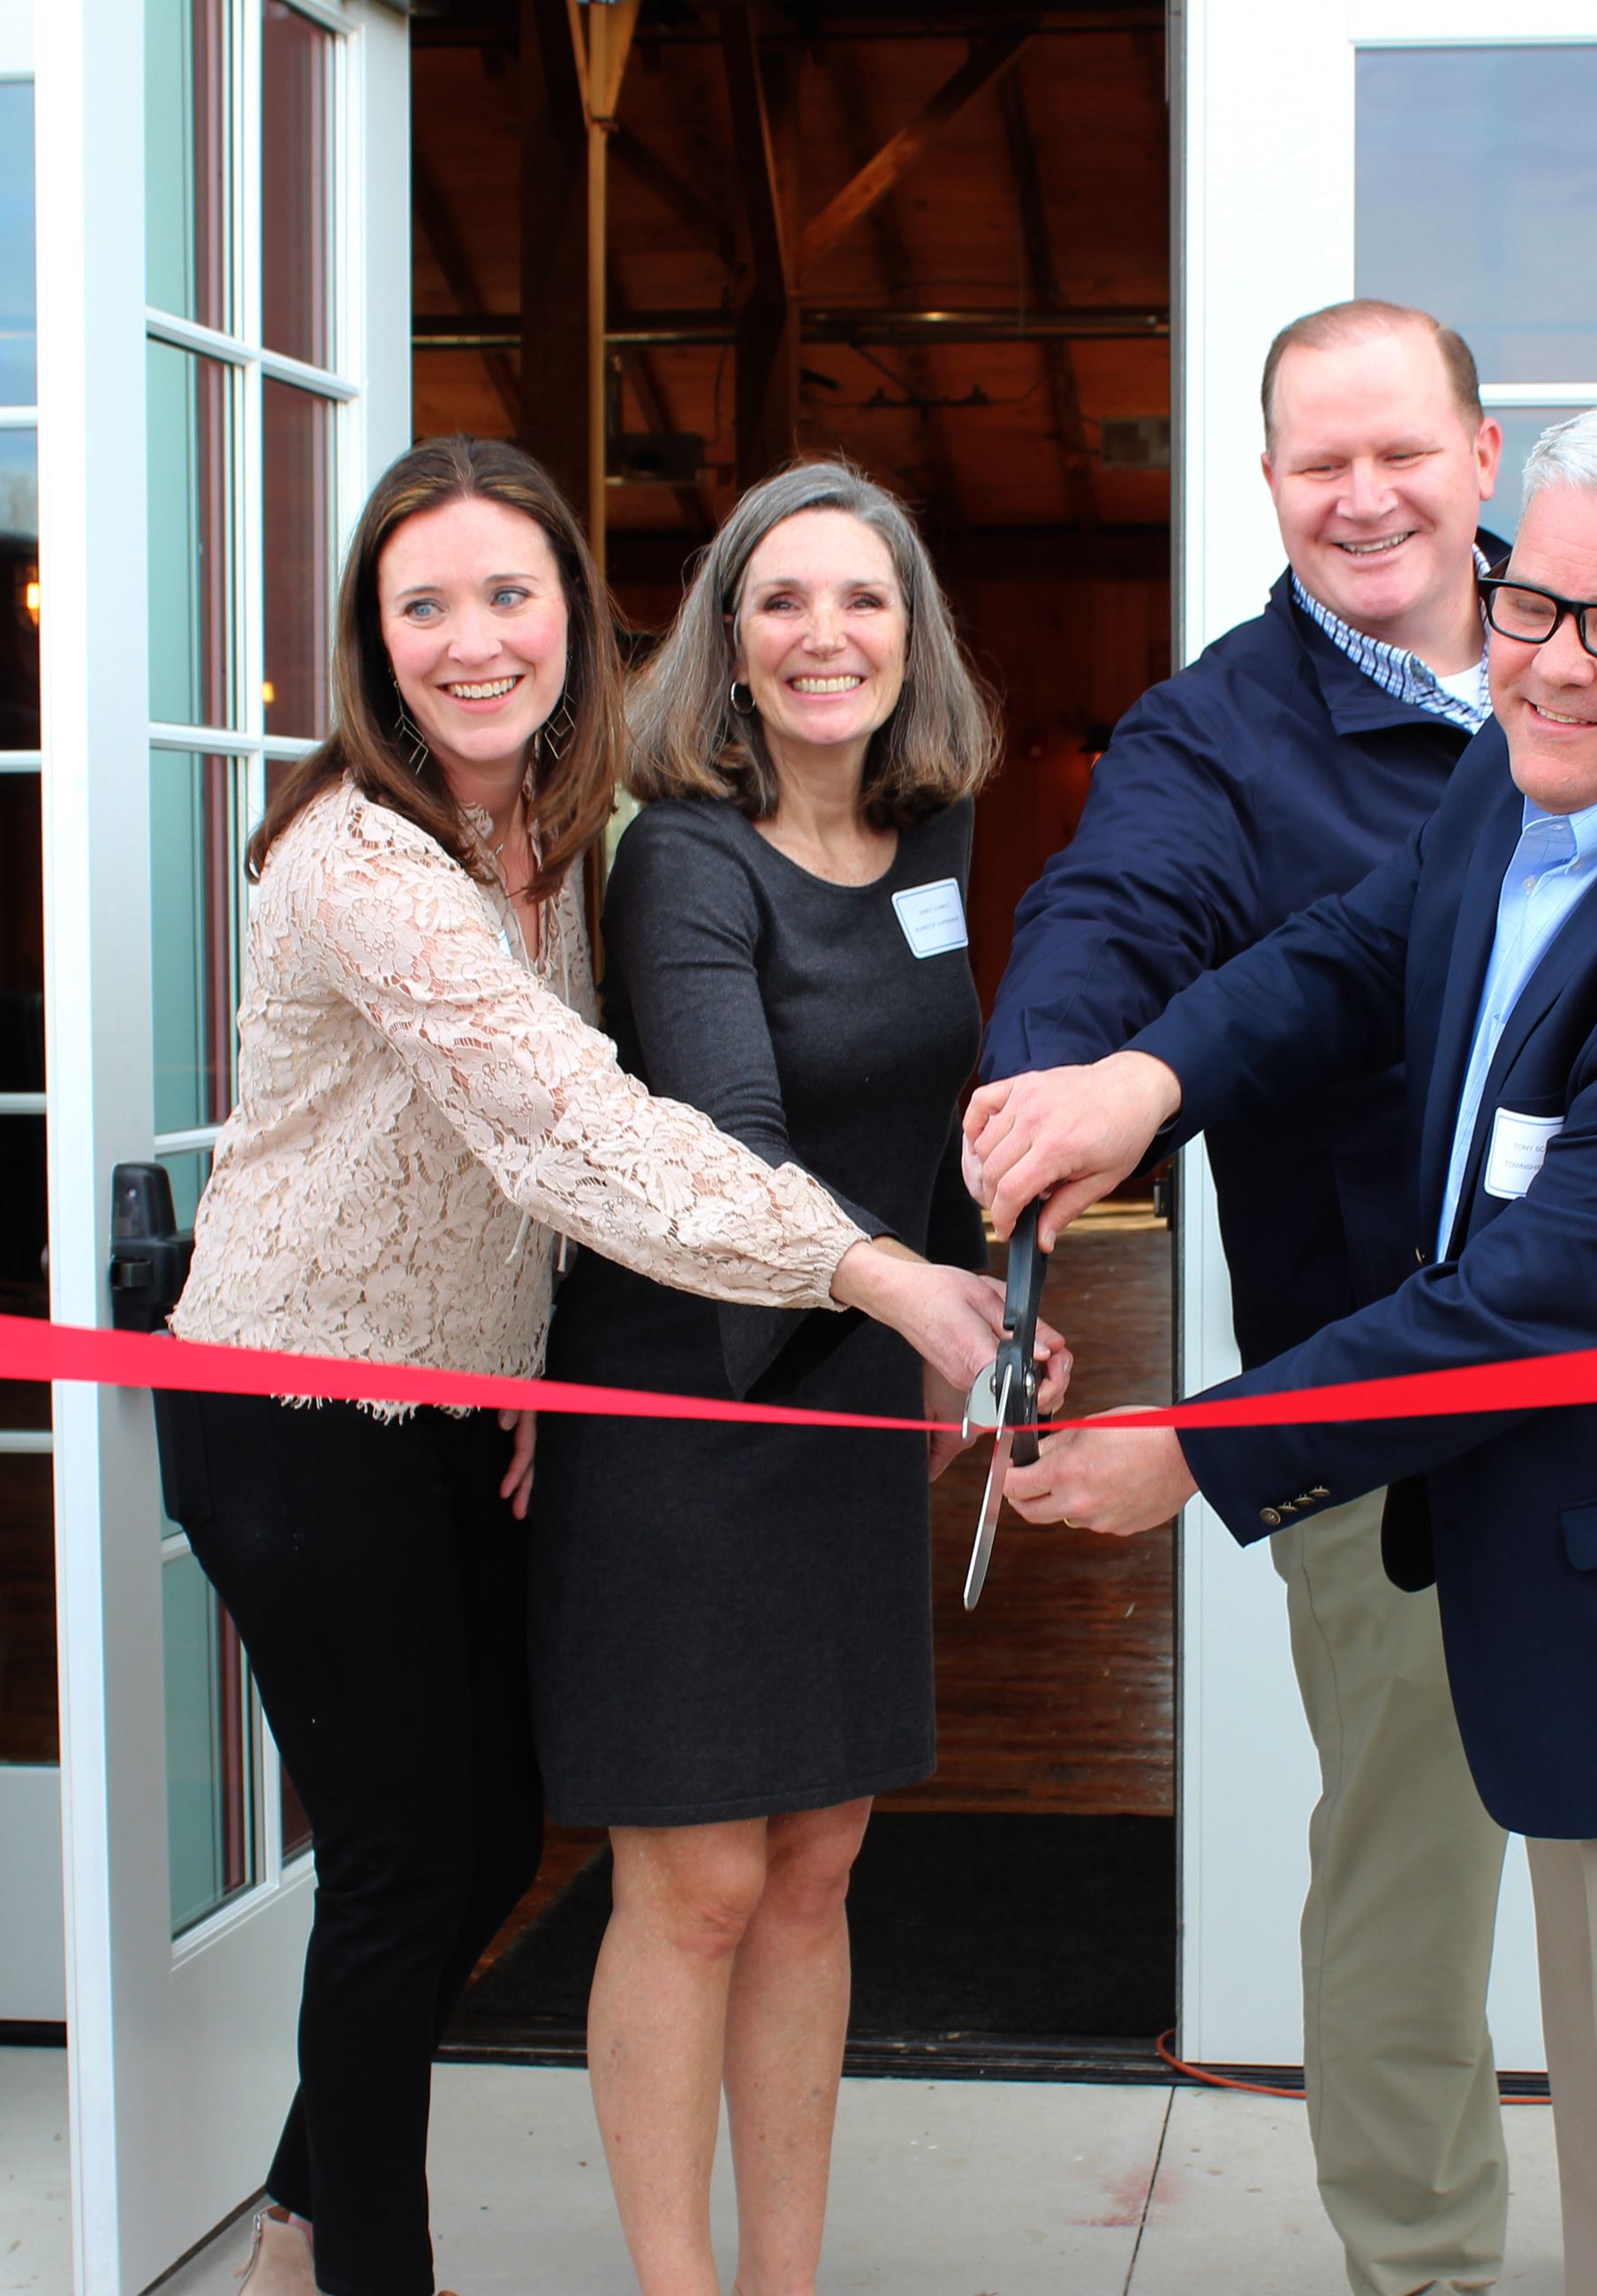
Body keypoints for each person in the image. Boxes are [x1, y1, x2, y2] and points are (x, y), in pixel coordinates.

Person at [966, 401, 1597, 2296]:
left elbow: (1532, 1302)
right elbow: (1361, 947)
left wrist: (1192, 1446)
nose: (1545, 658)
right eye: (1529, 601)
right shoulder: (1540, 760)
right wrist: (1144, 1074)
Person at [158, 437, 1022, 2296]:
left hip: (486, 1407)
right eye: (425, 608)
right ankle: (351, 2265)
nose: (474, 640)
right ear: (371, 647)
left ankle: (308, 2216)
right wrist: (885, 1276)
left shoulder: (546, 834)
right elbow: (576, 1134)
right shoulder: (369, 858)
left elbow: (553, 1174)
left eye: (508, 595)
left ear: (577, 615)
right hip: (300, 1409)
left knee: (477, 1855)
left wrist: (550, 1366)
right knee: (412, 1865)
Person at [978, 298, 1509, 2296]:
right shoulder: (1218, 727)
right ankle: (1425, 2266)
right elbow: (1109, 917)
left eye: (1399, 451)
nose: (1361, 496)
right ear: (1267, 480)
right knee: (1402, 1884)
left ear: (1480, 452)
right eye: (1315, 462)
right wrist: (1046, 1100)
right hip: (1367, 1400)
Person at [526, 460, 1063, 2296]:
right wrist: (921, 1299)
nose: (824, 634)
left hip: (850, 1410)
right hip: (685, 1411)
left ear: (911, 640)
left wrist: (990, 1300)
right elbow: (736, 1149)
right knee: (697, 1884)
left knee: (819, 1868)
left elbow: (920, 1129)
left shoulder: (929, 847)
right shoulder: (679, 849)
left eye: (864, 599)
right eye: (782, 600)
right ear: (728, 647)